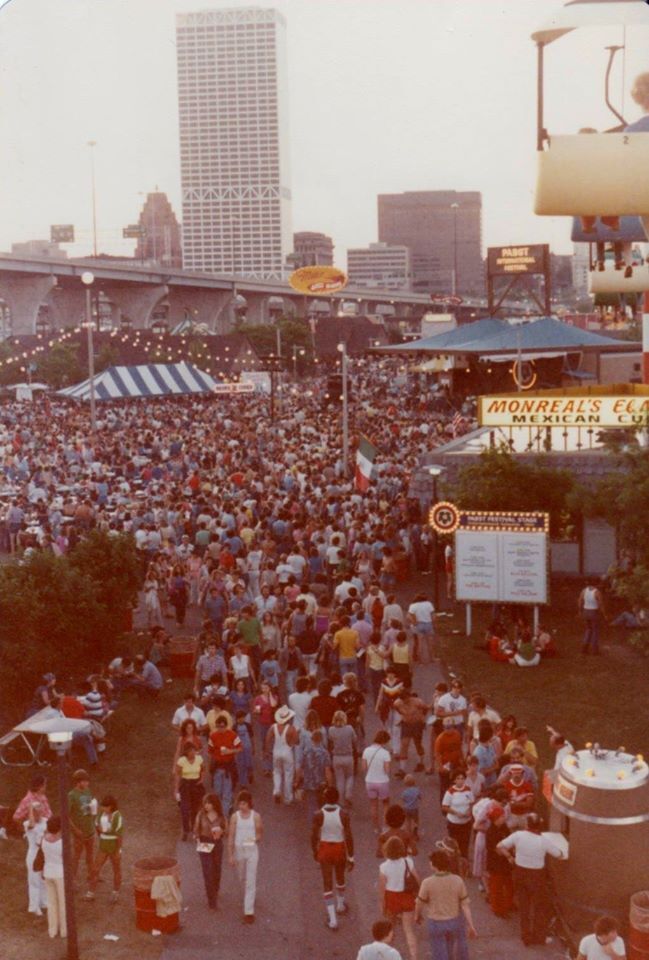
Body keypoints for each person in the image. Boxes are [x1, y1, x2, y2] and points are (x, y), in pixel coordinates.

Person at [497, 813, 563, 946]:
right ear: (539, 826)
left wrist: (510, 857)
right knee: (539, 907)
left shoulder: (518, 836)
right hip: (537, 876)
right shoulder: (543, 841)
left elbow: (499, 847)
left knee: (524, 906)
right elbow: (559, 854)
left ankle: (526, 937)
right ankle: (539, 937)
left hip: (520, 873)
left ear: (527, 824)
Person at [415, 848, 477, 960]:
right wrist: (470, 924)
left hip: (436, 922)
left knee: (439, 952)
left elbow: (419, 902)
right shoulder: (457, 880)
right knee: (450, 948)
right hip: (453, 921)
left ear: (434, 865)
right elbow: (465, 905)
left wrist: (417, 915)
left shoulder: (427, 882)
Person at [311, 786, 355, 931]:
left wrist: (314, 851)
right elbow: (348, 836)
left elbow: (313, 836)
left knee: (327, 882)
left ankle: (333, 920)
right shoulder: (343, 814)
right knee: (340, 876)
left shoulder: (318, 814)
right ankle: (340, 905)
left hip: (325, 849)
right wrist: (351, 856)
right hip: (339, 848)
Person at [378, 836, 420, 960]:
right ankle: (414, 957)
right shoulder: (408, 861)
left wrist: (382, 905)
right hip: (407, 896)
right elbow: (417, 879)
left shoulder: (384, 867)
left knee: (389, 931)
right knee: (408, 930)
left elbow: (382, 889)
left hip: (391, 898)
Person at [228, 789, 262, 924]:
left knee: (250, 880)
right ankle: (249, 895)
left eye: (244, 804)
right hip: (239, 851)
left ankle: (249, 911)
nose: (241, 806)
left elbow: (259, 835)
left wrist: (250, 841)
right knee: (242, 877)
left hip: (252, 851)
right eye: (239, 803)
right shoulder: (235, 817)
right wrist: (230, 855)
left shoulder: (256, 816)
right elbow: (230, 836)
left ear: (249, 803)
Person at [84, 795, 123, 903]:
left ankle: (115, 893)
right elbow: (96, 824)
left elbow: (119, 835)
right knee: (95, 869)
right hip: (103, 845)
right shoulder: (101, 813)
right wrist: (100, 832)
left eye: (106, 807)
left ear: (111, 807)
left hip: (114, 846)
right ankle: (91, 892)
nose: (103, 809)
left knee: (116, 869)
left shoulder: (117, 816)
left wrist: (119, 850)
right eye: (102, 807)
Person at [194, 793, 227, 911]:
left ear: (214, 804)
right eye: (205, 803)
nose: (206, 805)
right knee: (207, 871)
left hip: (217, 843)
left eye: (208, 803)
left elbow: (225, 829)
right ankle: (211, 902)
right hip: (204, 843)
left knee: (216, 869)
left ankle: (216, 889)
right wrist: (198, 841)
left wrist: (221, 831)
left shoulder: (220, 816)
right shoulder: (201, 815)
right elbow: (196, 830)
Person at [208, 715, 241, 816]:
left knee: (227, 793)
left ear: (226, 726)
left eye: (222, 726)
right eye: (218, 726)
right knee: (217, 792)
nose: (220, 729)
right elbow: (210, 751)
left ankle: (225, 816)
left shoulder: (233, 735)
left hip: (228, 767)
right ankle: (218, 813)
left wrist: (230, 751)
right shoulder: (213, 736)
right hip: (217, 767)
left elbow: (240, 748)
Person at [267, 705, 299, 805]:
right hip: (287, 752)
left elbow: (268, 739)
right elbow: (296, 741)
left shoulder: (273, 727)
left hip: (276, 752)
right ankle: (288, 798)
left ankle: (277, 790)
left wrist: (267, 751)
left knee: (277, 772)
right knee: (288, 774)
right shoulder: (291, 728)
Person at [69, 769, 95, 890]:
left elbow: (89, 807)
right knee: (76, 857)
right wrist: (75, 830)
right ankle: (72, 881)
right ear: (78, 782)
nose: (87, 784)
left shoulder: (88, 791)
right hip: (79, 833)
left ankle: (91, 875)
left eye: (87, 781)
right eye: (84, 781)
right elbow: (66, 815)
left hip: (90, 829)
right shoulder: (71, 795)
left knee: (90, 856)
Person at [174, 742, 205, 841]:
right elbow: (178, 775)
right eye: (190, 750)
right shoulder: (181, 761)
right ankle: (186, 830)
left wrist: (202, 779)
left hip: (196, 785)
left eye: (193, 750)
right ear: (186, 752)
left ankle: (195, 830)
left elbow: (203, 769)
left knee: (195, 808)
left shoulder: (199, 759)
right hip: (185, 785)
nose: (192, 752)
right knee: (185, 809)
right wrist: (176, 789)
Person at [441, 768, 474, 860]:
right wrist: (456, 813)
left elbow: (471, 803)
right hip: (454, 823)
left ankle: (465, 864)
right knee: (454, 845)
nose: (460, 780)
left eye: (462, 778)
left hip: (466, 823)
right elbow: (444, 807)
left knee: (465, 844)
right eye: (458, 778)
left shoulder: (468, 790)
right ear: (454, 780)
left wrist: (469, 812)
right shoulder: (450, 792)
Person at [363, 730, 392, 831]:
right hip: (382, 781)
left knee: (373, 805)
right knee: (385, 805)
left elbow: (364, 768)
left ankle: (376, 828)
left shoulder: (366, 751)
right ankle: (385, 827)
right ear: (384, 741)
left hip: (370, 781)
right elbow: (387, 770)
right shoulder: (385, 753)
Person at [42, 816, 67, 939]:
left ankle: (52, 930)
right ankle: (64, 930)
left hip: (48, 872)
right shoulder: (62, 842)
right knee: (62, 902)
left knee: (51, 903)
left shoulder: (44, 840)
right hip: (60, 874)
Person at [24, 799, 48, 916]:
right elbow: (32, 825)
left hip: (44, 853)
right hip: (33, 854)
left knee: (43, 879)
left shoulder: (46, 821)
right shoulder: (27, 823)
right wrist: (30, 809)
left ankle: (44, 902)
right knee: (34, 880)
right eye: (36, 812)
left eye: (40, 812)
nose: (39, 815)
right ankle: (34, 906)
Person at [329, 709, 357, 807]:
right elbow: (355, 739)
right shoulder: (349, 728)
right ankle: (348, 793)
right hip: (348, 756)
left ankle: (341, 800)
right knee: (350, 776)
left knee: (339, 779)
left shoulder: (331, 730)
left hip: (337, 757)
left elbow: (330, 741)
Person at [578, 577, 607, 655]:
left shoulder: (584, 590)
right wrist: (604, 614)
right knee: (595, 630)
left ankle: (584, 647)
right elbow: (601, 604)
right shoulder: (597, 592)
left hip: (585, 611)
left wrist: (580, 610)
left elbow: (580, 600)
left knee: (588, 629)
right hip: (594, 612)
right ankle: (594, 649)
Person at [401, 774, 421, 839]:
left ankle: (408, 833)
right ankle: (415, 832)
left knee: (407, 820)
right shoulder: (417, 790)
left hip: (406, 808)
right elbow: (420, 797)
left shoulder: (405, 792)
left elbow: (403, 799)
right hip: (414, 808)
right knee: (416, 820)